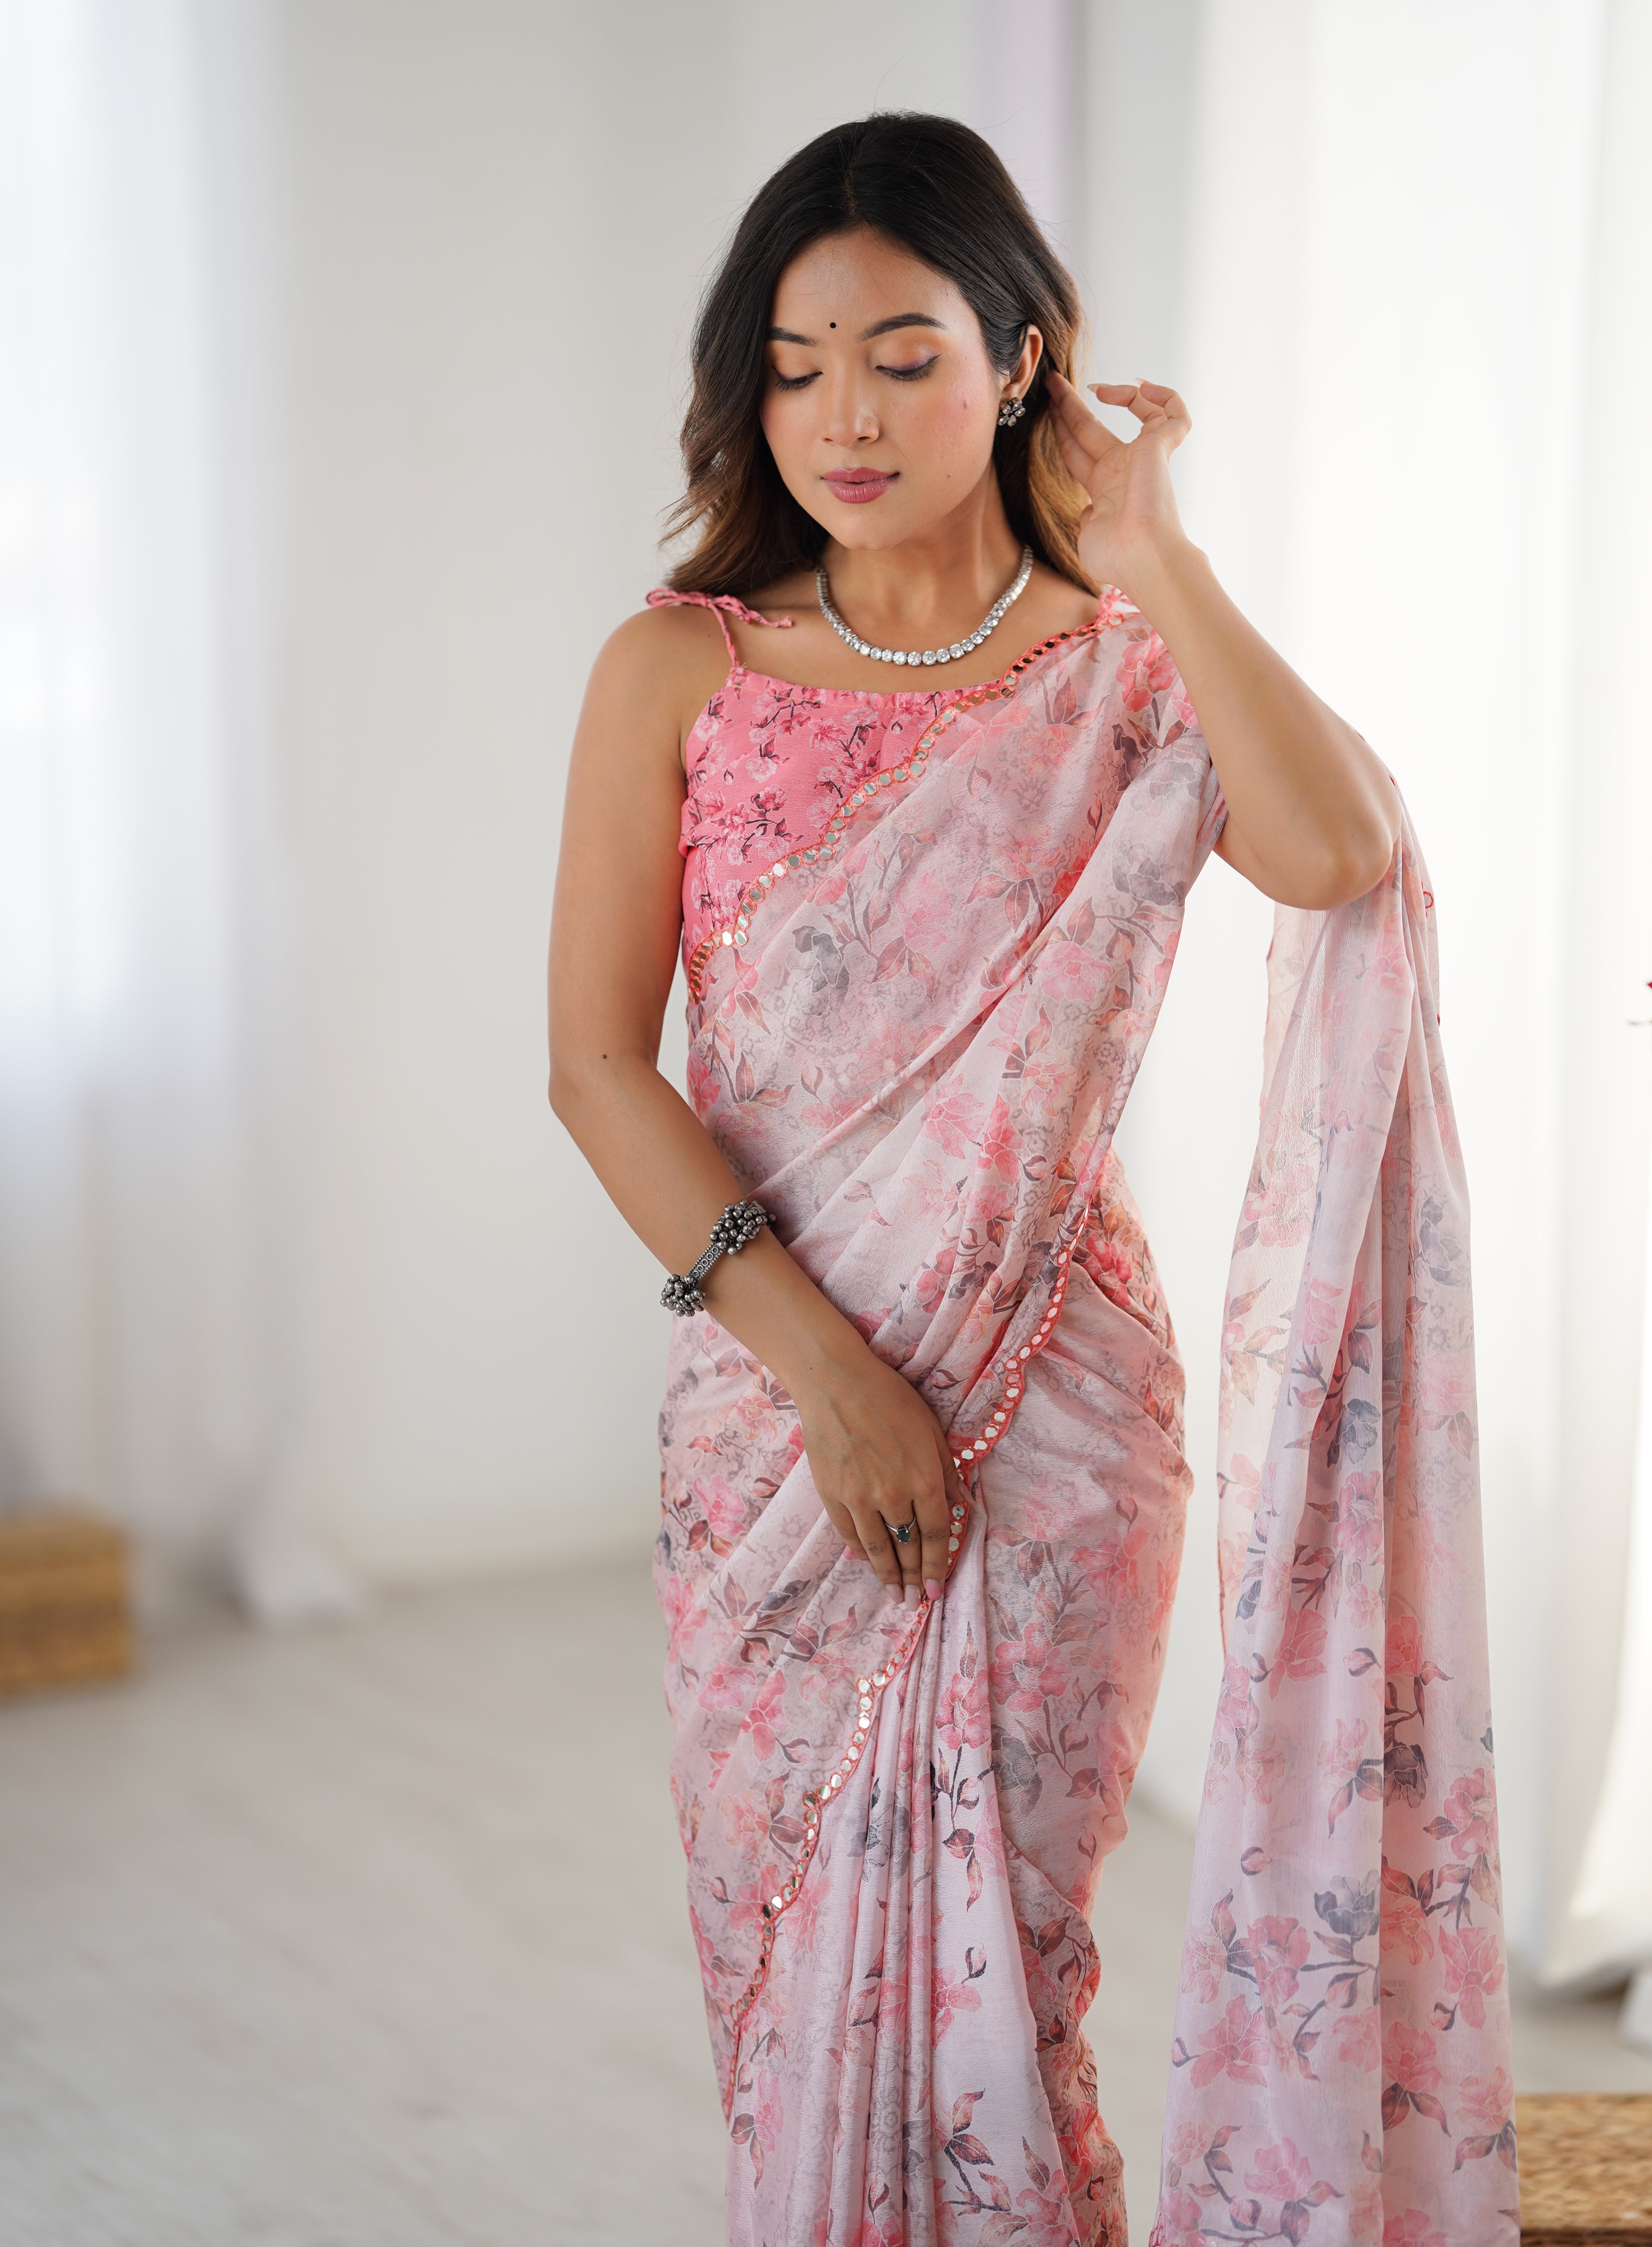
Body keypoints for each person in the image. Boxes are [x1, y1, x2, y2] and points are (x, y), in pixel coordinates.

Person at [548, 114, 1515, 2247]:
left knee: (1022, 1975)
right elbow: (601, 1070)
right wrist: (824, 1373)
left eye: (903, 352)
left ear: (1022, 361)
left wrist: (1157, 554)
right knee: (789, 1973)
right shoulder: (678, 670)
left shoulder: (1126, 662)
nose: (843, 415)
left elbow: (1342, 850)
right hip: (773, 1429)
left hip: (1058, 1419)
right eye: (793, 364)